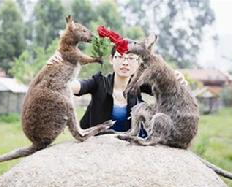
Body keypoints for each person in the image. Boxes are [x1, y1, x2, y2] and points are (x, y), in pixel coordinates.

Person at [49, 46, 187, 138]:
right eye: (120, 57)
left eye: (131, 58)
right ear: (111, 59)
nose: (125, 62)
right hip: (97, 148)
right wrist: (56, 68)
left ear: (138, 63)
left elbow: (167, 91)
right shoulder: (98, 82)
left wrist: (178, 80)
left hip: (130, 149)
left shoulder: (140, 85)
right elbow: (72, 86)